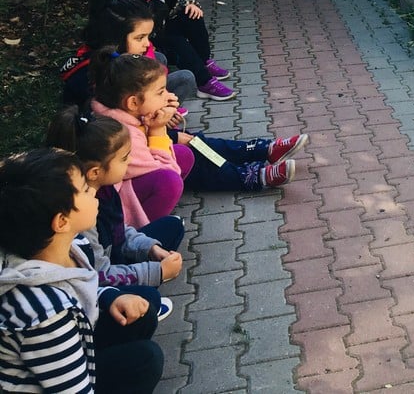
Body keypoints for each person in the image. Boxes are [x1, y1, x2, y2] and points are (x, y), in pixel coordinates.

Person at [0, 148, 163, 393]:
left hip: (71, 343)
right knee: (145, 359)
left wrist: (109, 295)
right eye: (86, 190)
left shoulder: (62, 247)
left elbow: (75, 283)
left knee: (141, 311)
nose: (94, 193)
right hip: (56, 376)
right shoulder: (46, 317)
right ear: (61, 221)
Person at [88, 48, 308, 227]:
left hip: (145, 166)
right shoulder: (120, 134)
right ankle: (249, 175)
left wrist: (160, 126)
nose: (169, 96)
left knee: (191, 143)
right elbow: (165, 171)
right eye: (160, 92)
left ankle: (256, 151)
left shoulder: (128, 114)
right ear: (133, 103)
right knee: (176, 170)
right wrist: (158, 131)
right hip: (125, 211)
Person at [46, 107, 185, 298]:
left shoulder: (105, 188)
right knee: (149, 298)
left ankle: (142, 281)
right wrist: (155, 272)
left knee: (172, 226)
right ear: (95, 171)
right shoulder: (81, 214)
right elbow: (99, 274)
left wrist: (150, 247)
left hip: (113, 255)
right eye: (124, 158)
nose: (129, 163)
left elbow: (120, 228)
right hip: (98, 281)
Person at [61, 0, 195, 124]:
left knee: (163, 62)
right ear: (116, 38)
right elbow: (111, 127)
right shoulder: (96, 74)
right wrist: (156, 123)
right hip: (114, 135)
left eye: (148, 36)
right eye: (140, 38)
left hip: (135, 118)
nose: (147, 44)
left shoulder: (112, 58)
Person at [116, 0, 236, 101]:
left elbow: (179, 3)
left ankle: (203, 61)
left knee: (191, 16)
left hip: (161, 30)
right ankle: (204, 82)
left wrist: (191, 6)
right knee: (175, 39)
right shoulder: (122, 5)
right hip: (149, 42)